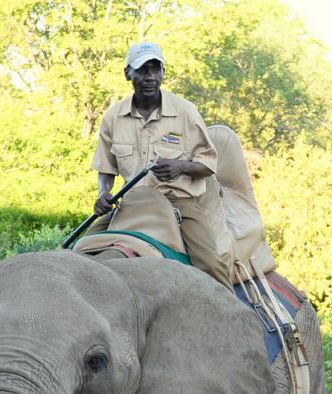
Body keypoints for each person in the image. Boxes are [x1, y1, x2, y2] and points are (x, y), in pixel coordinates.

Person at [91, 42, 234, 285]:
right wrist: (104, 194)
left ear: (163, 72)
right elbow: (106, 167)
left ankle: (234, 316)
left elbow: (208, 164)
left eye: (155, 69)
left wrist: (180, 167)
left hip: (177, 202)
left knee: (210, 264)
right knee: (75, 253)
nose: (149, 77)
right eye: (142, 70)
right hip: (131, 202)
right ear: (128, 73)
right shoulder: (113, 116)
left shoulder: (185, 112)